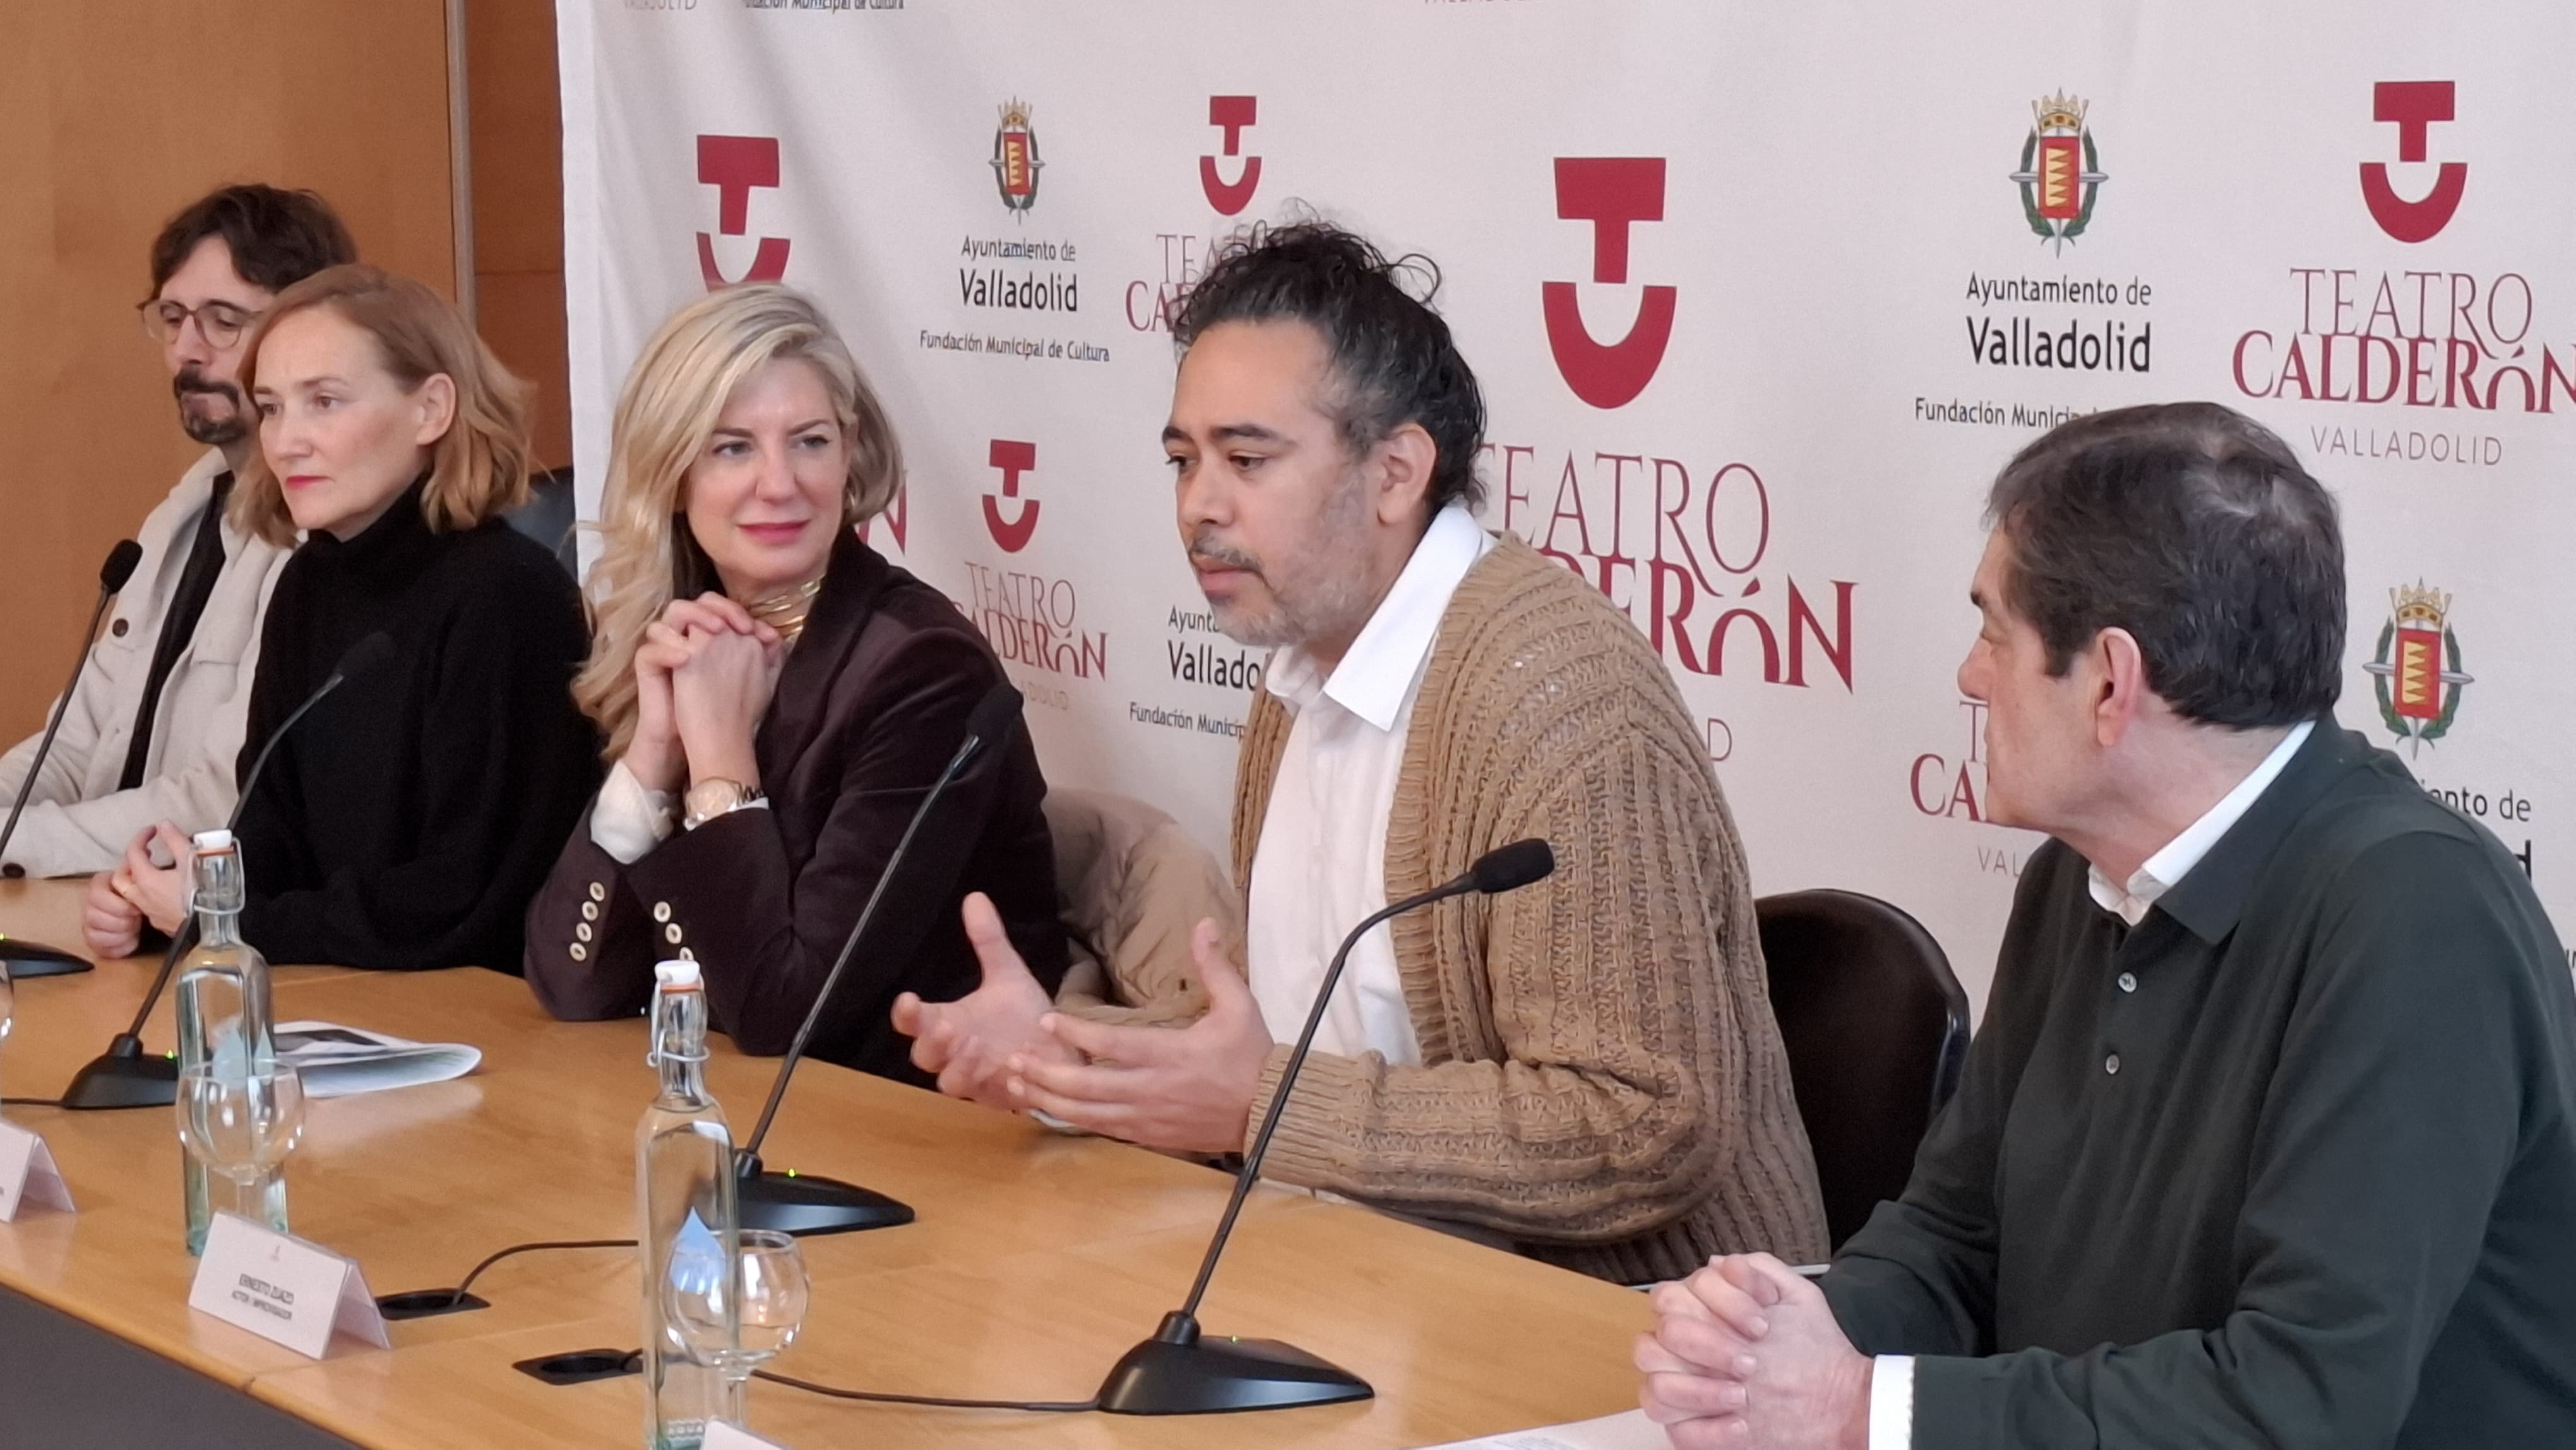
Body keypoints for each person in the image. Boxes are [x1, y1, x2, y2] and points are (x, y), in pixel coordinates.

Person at [895, 222, 1828, 1283]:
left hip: (1640, 1328)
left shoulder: (1561, 702)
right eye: (1183, 460)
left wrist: (1264, 1106)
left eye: (1248, 460)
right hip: (1359, 1278)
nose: (1199, 505)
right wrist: (1072, 1058)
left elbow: (1644, 1124)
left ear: (1395, 472)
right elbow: (1303, 1048)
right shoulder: (1300, 670)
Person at [1636, 403, 2576, 1449]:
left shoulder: (2417, 920)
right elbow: (1959, 1238)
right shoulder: (2079, 878)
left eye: (1996, 633)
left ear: (2111, 685)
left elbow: (2295, 1406)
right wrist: (1779, 1341)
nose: (1970, 675)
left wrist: (1861, 1408)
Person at [523, 284, 1064, 1082]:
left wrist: (719, 759)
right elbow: (573, 983)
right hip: (748, 1107)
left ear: (850, 455)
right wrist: (654, 756)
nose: (779, 484)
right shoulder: (693, 639)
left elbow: (785, 1013)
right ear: (674, 472)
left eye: (809, 442)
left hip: (910, 1118)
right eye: (732, 448)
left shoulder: (924, 670)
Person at [83, 265, 600, 971]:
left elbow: (466, 900)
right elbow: (274, 832)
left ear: (431, 409)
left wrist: (227, 919)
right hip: (341, 994)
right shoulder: (308, 583)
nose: (285, 441)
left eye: (324, 402)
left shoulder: (507, 596)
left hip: (479, 1008)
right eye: (271, 408)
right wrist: (162, 900)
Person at [7, 186, 352, 901]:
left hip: (213, 918)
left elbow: (224, 796)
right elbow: (71, 745)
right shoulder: (179, 515)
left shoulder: (325, 543)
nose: (188, 351)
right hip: (107, 902)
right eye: (172, 318)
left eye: (224, 321)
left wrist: (19, 844)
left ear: (307, 333)